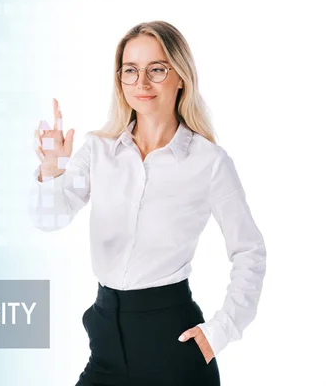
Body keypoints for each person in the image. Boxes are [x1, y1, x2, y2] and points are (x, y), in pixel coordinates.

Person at [29, 20, 266, 385]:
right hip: (106, 337)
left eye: (156, 69)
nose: (142, 83)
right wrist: (51, 169)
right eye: (130, 71)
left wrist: (221, 330)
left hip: (172, 342)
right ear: (119, 80)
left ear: (181, 76)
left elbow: (249, 251)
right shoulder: (98, 150)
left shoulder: (209, 162)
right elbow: (50, 219)